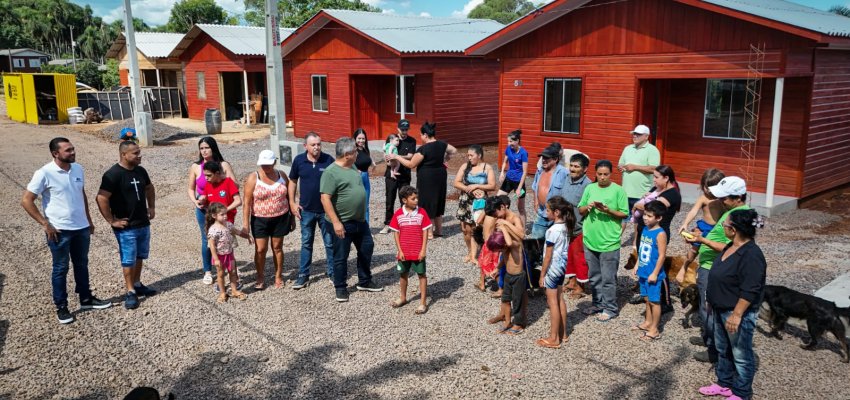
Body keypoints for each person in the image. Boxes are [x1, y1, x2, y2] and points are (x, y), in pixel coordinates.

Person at [22, 137, 112, 324]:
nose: (72, 153)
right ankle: (61, 306)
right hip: (59, 230)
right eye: (68, 150)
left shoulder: (78, 169)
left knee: (82, 264)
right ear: (56, 153)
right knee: (60, 268)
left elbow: (82, 195)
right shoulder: (44, 173)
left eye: (73, 149)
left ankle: (86, 299)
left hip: (81, 228)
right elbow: (26, 200)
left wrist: (88, 220)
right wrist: (45, 223)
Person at [698, 209, 766, 400]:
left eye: (725, 224)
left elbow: (750, 289)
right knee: (723, 349)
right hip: (720, 307)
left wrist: (737, 315)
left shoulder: (752, 255)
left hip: (735, 312)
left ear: (734, 229)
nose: (723, 226)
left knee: (741, 354)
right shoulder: (731, 245)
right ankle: (724, 383)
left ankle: (742, 392)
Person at [685, 176, 750, 363]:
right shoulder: (732, 210)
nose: (720, 201)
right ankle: (709, 339)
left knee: (709, 310)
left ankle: (715, 350)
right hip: (708, 266)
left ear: (737, 197)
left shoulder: (740, 217)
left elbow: (733, 248)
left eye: (724, 198)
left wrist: (702, 241)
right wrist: (701, 235)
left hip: (715, 268)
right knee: (707, 310)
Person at [320, 137, 384, 302]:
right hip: (342, 223)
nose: (358, 154)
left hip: (360, 221)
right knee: (341, 255)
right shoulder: (330, 173)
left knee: (366, 248)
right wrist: (336, 222)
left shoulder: (352, 165)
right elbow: (325, 199)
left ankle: (364, 280)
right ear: (347, 154)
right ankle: (340, 287)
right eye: (355, 151)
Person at [96, 141, 157, 310]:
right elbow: (101, 198)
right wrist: (111, 220)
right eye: (135, 153)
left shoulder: (140, 171)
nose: (139, 156)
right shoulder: (113, 174)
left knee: (140, 255)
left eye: (139, 152)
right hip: (126, 227)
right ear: (124, 155)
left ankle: (137, 284)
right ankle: (130, 291)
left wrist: (151, 206)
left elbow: (149, 188)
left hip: (143, 223)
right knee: (128, 259)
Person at [578, 159, 628, 322]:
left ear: (611, 174)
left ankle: (611, 308)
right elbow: (581, 209)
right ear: (595, 174)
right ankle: (598, 303)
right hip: (590, 239)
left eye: (606, 174)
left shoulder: (618, 191)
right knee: (594, 276)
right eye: (599, 174)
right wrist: (588, 207)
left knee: (608, 278)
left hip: (609, 241)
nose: (602, 177)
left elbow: (624, 213)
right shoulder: (590, 188)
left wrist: (608, 210)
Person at [390, 121, 457, 238]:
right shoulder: (442, 144)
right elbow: (454, 151)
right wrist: (445, 159)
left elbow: (411, 164)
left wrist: (397, 156)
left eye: (421, 135)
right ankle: (439, 230)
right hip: (440, 175)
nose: (420, 137)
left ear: (425, 135)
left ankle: (429, 233)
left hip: (427, 177)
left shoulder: (423, 149)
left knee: (427, 202)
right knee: (438, 200)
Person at [628, 165, 681, 309]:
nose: (654, 180)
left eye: (657, 177)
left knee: (658, 266)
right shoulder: (656, 190)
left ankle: (665, 301)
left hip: (658, 234)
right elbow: (644, 203)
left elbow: (650, 207)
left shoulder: (671, 194)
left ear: (666, 178)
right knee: (645, 262)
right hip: (645, 231)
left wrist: (640, 204)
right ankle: (647, 294)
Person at [186, 137, 237, 285]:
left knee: (227, 236)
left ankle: (230, 266)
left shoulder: (223, 165)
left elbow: (234, 185)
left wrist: (221, 178)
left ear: (213, 148)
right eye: (201, 148)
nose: (204, 151)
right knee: (207, 239)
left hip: (222, 210)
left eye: (206, 148)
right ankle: (208, 271)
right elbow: (190, 188)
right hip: (204, 209)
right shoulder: (196, 167)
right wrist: (195, 201)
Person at [288, 132, 335, 290]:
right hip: (306, 210)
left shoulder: (328, 160)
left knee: (329, 243)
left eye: (319, 144)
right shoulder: (299, 161)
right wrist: (292, 203)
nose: (317, 147)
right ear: (305, 146)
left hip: (325, 211)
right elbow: (293, 182)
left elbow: (337, 181)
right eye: (313, 145)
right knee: (306, 243)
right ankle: (303, 275)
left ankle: (332, 273)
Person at [243, 150, 294, 290]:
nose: (265, 167)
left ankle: (278, 276)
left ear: (274, 162)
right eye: (263, 164)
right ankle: (260, 276)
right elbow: (246, 202)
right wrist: (245, 225)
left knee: (277, 248)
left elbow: (289, 197)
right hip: (260, 218)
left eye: (268, 164)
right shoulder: (254, 178)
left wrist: (293, 218)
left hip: (281, 217)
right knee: (260, 249)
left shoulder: (282, 175)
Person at [536, 196, 576, 349]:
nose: (546, 212)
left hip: (552, 269)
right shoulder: (566, 226)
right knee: (560, 299)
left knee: (552, 302)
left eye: (547, 210)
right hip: (562, 268)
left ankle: (554, 338)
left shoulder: (552, 230)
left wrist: (542, 274)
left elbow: (548, 256)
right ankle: (563, 333)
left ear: (556, 212)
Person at [677, 168, 726, 285]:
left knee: (717, 252)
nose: (708, 191)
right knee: (694, 251)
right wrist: (685, 223)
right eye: (706, 187)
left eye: (711, 188)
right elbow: (693, 211)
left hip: (718, 230)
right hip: (705, 228)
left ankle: (707, 271)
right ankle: (684, 267)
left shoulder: (724, 199)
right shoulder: (704, 198)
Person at [388, 186, 432, 314]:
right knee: (403, 274)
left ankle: (423, 302)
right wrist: (400, 250)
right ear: (404, 200)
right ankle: (403, 297)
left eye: (417, 197)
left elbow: (425, 232)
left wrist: (423, 249)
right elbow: (396, 233)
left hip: (418, 251)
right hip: (404, 252)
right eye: (413, 198)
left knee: (421, 275)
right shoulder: (398, 214)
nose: (416, 200)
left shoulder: (422, 212)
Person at [452, 144, 496, 265]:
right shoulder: (465, 166)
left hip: (480, 202)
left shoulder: (487, 168)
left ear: (479, 155)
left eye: (471, 155)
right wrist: (468, 188)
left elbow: (492, 185)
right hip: (466, 201)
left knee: (477, 228)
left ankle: (477, 253)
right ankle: (470, 252)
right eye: (468, 155)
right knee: (466, 229)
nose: (469, 158)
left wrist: (477, 186)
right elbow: (456, 182)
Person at [633, 201, 668, 341]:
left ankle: (655, 329)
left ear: (658, 218)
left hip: (653, 274)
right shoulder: (646, 229)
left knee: (654, 301)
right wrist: (637, 263)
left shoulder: (660, 234)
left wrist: (655, 273)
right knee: (646, 299)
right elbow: (642, 249)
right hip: (643, 270)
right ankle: (647, 322)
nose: (645, 218)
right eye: (645, 214)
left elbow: (662, 255)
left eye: (649, 216)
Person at [488, 219, 528, 335]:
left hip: (518, 277)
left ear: (504, 243)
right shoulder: (505, 249)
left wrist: (504, 227)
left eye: (500, 249)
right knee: (505, 299)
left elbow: (510, 243)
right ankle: (507, 321)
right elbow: (504, 260)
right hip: (508, 276)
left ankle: (518, 324)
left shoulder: (515, 244)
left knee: (517, 301)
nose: (500, 251)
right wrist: (497, 268)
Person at [561, 153, 592, 299]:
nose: (572, 169)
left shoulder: (588, 185)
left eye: (576, 166)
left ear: (585, 169)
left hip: (580, 228)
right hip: (566, 226)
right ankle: (571, 281)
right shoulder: (567, 179)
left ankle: (581, 286)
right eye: (571, 165)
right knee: (568, 256)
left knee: (580, 258)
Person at [206, 203, 251, 303]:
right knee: (221, 274)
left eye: (226, 214)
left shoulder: (229, 225)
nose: (225, 216)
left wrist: (247, 236)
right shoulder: (213, 230)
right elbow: (212, 245)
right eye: (222, 214)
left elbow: (237, 232)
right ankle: (222, 292)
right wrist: (216, 259)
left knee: (233, 272)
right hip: (220, 256)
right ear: (214, 216)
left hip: (229, 254)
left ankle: (234, 290)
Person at [380, 119, 417, 235]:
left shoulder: (412, 141)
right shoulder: (391, 138)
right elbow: (385, 151)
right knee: (389, 199)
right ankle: (388, 224)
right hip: (390, 174)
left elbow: (411, 156)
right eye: (402, 129)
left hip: (404, 175)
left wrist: (396, 156)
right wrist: (387, 158)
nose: (404, 131)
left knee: (404, 199)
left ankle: (403, 223)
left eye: (406, 129)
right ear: (398, 129)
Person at [530, 143, 569, 239]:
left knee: (554, 244)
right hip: (542, 213)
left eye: (547, 158)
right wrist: (535, 202)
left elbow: (568, 193)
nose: (543, 160)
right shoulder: (539, 171)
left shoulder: (564, 173)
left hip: (557, 216)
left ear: (555, 159)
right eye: (543, 157)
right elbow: (535, 187)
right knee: (536, 243)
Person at [618, 124, 660, 212]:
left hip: (642, 193)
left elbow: (654, 169)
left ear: (646, 136)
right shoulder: (627, 148)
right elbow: (620, 164)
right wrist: (621, 167)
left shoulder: (652, 150)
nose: (635, 136)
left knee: (639, 219)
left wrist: (635, 167)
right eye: (634, 134)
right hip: (625, 192)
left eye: (638, 134)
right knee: (623, 218)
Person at [498, 130, 528, 229]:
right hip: (509, 179)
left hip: (519, 182)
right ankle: (500, 223)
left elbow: (524, 172)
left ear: (517, 141)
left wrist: (519, 188)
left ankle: (523, 229)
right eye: (508, 141)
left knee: (520, 208)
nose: (509, 143)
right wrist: (502, 172)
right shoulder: (508, 149)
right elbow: (505, 161)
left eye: (511, 141)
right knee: (498, 199)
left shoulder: (523, 153)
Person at [353, 129, 376, 224]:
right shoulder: (353, 150)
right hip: (356, 178)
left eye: (363, 138)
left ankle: (366, 229)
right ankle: (355, 226)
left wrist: (372, 163)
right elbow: (346, 163)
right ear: (355, 139)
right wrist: (355, 170)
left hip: (365, 177)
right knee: (356, 204)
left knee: (365, 205)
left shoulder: (366, 150)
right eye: (359, 138)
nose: (361, 141)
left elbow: (367, 160)